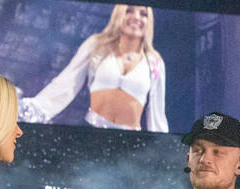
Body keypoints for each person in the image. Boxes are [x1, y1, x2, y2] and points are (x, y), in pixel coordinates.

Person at [18, 4, 167, 131]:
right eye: (129, 10)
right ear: (118, 14)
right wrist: (31, 110)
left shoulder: (154, 61)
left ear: (149, 22)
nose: (136, 17)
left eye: (143, 14)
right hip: (91, 132)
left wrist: (163, 148)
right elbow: (67, 83)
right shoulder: (97, 45)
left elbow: (156, 113)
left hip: (130, 141)